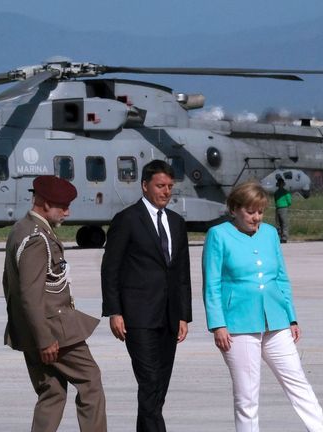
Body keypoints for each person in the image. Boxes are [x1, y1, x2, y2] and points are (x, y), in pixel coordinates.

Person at [202, 181, 323, 432]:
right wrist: (218, 324)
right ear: (234, 209)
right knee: (247, 397)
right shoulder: (218, 235)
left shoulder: (270, 233)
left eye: (260, 211)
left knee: (299, 384)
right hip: (238, 325)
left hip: (276, 320)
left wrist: (291, 317)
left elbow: (281, 277)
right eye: (250, 211)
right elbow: (212, 284)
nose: (256, 217)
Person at [2, 175, 107, 432]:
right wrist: (45, 339)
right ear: (46, 204)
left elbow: (9, 285)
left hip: (33, 329)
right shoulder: (38, 239)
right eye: (63, 206)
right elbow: (29, 293)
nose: (67, 212)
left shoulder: (21, 229)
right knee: (91, 382)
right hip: (53, 332)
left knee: (52, 393)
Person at [101, 160, 192, 432]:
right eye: (160, 186)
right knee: (150, 382)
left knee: (158, 388)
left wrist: (184, 315)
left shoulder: (176, 222)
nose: (166, 192)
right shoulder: (127, 219)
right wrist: (114, 311)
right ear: (145, 186)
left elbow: (181, 273)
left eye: (169, 187)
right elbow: (110, 269)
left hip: (169, 316)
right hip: (138, 317)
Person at [274, 177, 292, 243]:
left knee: (279, 223)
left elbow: (275, 200)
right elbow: (289, 201)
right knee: (283, 223)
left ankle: (280, 237)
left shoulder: (276, 193)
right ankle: (283, 237)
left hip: (278, 208)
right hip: (283, 208)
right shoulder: (286, 192)